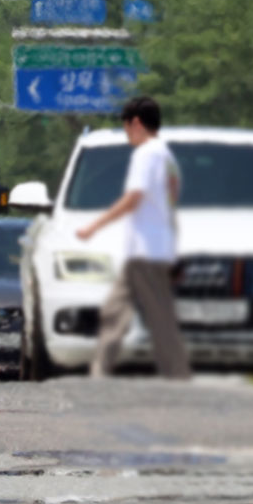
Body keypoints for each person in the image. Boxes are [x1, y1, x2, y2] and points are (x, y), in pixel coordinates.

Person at [78, 96, 191, 380]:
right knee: (116, 311)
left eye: (127, 128)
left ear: (137, 123)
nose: (128, 134)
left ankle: (177, 376)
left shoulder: (147, 155)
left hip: (145, 251)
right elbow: (170, 207)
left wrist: (94, 226)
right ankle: (100, 374)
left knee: (157, 319)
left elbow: (133, 198)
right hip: (153, 250)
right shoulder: (167, 157)